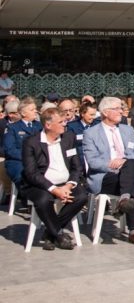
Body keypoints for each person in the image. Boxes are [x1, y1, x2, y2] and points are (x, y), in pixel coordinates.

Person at [82, 96, 134, 245]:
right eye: (117, 108)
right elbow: (93, 162)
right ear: (105, 113)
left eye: (121, 108)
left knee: (131, 164)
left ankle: (125, 199)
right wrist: (113, 164)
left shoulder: (127, 130)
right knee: (133, 180)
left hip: (126, 172)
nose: (122, 111)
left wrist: (124, 163)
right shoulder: (91, 133)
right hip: (104, 176)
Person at [20, 107, 90, 250]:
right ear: (48, 125)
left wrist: (68, 186)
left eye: (65, 121)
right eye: (61, 122)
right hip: (40, 185)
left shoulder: (68, 138)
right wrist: (54, 189)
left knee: (81, 196)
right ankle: (58, 234)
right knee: (43, 200)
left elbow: (77, 167)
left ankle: (49, 233)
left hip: (65, 183)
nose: (65, 124)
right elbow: (31, 173)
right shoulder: (31, 142)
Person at [3, 98, 41, 187]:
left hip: (38, 161)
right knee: (24, 179)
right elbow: (10, 150)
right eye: (32, 110)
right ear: (23, 113)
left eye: (35, 109)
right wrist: (28, 158)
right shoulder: (12, 128)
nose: (36, 111)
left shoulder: (40, 126)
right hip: (18, 162)